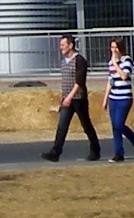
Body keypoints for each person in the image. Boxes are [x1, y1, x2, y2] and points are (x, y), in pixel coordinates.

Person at [41, 33, 102, 163]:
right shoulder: (63, 62)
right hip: (67, 99)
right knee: (62, 125)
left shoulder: (79, 60)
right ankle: (55, 152)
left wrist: (70, 97)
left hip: (78, 99)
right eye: (60, 45)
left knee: (86, 125)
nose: (61, 47)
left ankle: (95, 149)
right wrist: (63, 98)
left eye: (63, 45)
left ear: (71, 45)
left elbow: (79, 82)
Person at [106, 37, 134, 161]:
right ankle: (119, 154)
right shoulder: (110, 63)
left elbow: (123, 76)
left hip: (124, 98)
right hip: (113, 98)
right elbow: (110, 81)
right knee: (115, 127)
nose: (114, 50)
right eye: (112, 47)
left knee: (119, 125)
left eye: (116, 47)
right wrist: (105, 98)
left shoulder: (126, 60)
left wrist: (116, 63)